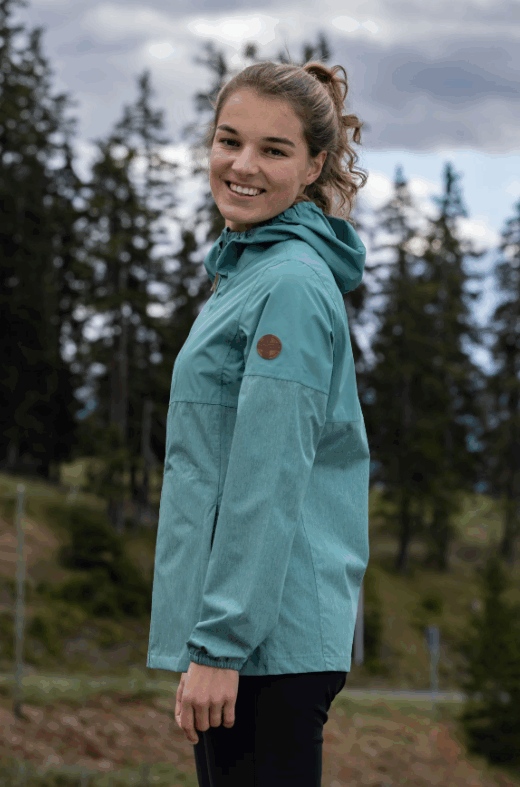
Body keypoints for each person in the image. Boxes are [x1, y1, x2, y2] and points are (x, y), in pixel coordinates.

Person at [147, 57, 370, 786]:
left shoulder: (290, 284)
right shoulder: (248, 274)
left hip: (263, 647)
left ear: (313, 167)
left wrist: (221, 645)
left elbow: (267, 474)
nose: (242, 166)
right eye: (229, 140)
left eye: (274, 150)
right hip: (248, 643)